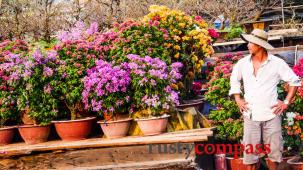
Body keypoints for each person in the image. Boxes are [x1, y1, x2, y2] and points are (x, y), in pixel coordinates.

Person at [229, 29, 301, 170]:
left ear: (260, 45)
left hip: (271, 115)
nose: (248, 45)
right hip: (250, 115)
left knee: (274, 155)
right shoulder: (242, 63)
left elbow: (295, 81)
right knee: (250, 158)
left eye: (251, 42)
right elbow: (234, 81)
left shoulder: (277, 63)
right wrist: (238, 99)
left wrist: (286, 102)